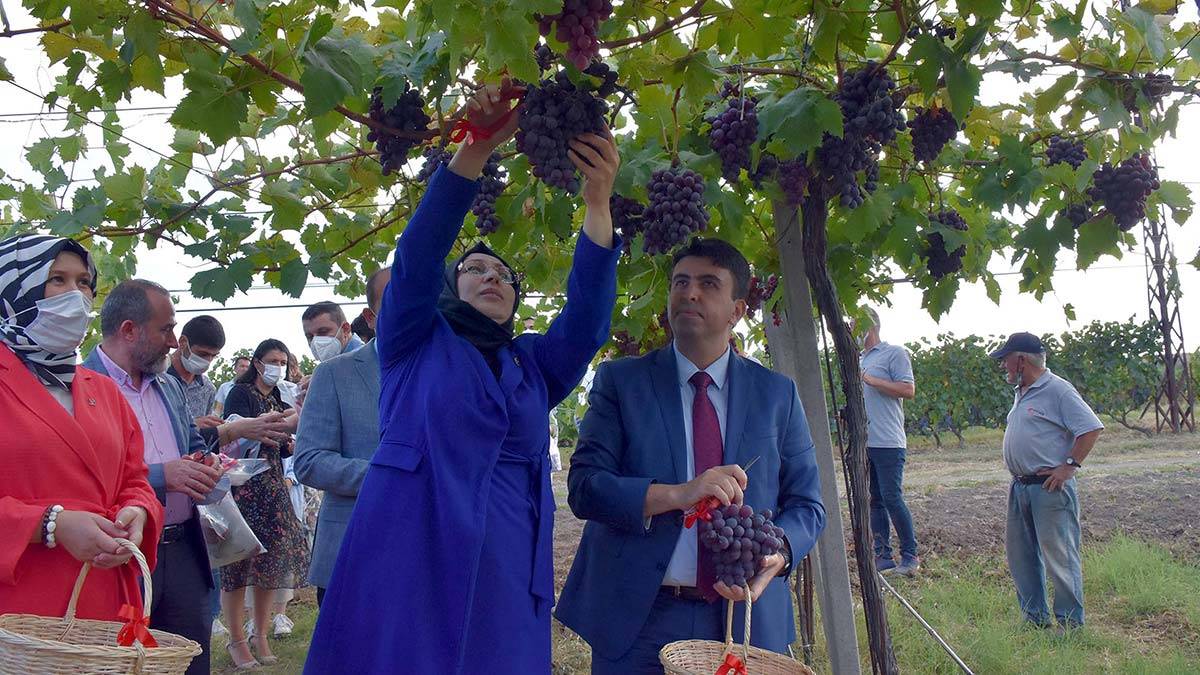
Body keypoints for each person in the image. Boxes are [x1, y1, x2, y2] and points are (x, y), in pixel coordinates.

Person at [305, 78, 622, 673]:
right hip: (411, 544)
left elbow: (585, 325)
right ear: (450, 289)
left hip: (507, 559)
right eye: (475, 269)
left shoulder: (532, 365)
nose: (492, 276)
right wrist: (475, 149)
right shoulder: (412, 340)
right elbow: (419, 256)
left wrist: (598, 203)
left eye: (504, 275)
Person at [556, 238, 827, 673]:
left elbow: (808, 505)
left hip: (743, 621)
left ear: (737, 310)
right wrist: (678, 494)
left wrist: (779, 553)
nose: (690, 293)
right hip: (638, 619)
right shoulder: (622, 383)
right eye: (680, 282)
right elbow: (585, 488)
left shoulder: (777, 395)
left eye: (708, 284)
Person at [84, 279, 293, 675]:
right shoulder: (81, 386)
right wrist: (163, 476)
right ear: (129, 330)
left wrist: (209, 466)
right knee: (124, 663)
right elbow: (84, 475)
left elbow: (195, 445)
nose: (172, 342)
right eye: (166, 329)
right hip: (122, 554)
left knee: (190, 661)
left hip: (184, 550)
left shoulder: (168, 385)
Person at [0, 235, 164, 622]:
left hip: (104, 601)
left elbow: (134, 479)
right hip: (18, 610)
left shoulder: (103, 390)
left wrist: (138, 513)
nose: (75, 294)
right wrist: (50, 525)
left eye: (84, 282)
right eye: (57, 279)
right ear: (14, 289)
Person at [991, 332, 1102, 630]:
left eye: (1005, 360)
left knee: (1060, 557)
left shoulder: (1058, 390)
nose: (1002, 366)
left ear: (1021, 360)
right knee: (1021, 557)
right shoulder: (1022, 391)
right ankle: (1035, 621)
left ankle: (1070, 625)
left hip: (1049, 488)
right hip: (1020, 486)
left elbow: (1090, 429)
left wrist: (1069, 466)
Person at [294, 267, 391, 607]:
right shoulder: (334, 373)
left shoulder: (449, 371)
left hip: (434, 556)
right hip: (353, 554)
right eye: (396, 297)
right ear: (371, 317)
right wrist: (387, 476)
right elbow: (309, 461)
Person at [221, 339, 310, 668]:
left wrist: (288, 439)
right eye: (273, 361)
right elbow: (231, 439)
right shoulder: (240, 393)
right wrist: (271, 425)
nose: (278, 367)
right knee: (237, 566)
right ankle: (236, 639)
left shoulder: (278, 397)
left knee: (270, 566)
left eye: (283, 361)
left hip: (272, 488)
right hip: (244, 489)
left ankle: (260, 634)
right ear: (257, 363)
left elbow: (280, 446)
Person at [853, 307, 919, 576]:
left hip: (889, 441)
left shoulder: (894, 353)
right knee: (874, 500)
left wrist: (871, 380)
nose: (852, 330)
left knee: (892, 497)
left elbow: (908, 389)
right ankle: (883, 556)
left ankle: (910, 556)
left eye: (856, 324)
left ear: (870, 325)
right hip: (865, 442)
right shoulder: (857, 359)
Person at [167, 315, 225, 422]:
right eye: (202, 354)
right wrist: (193, 426)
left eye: (213, 356)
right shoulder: (156, 377)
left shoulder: (207, 388)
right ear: (183, 342)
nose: (207, 361)